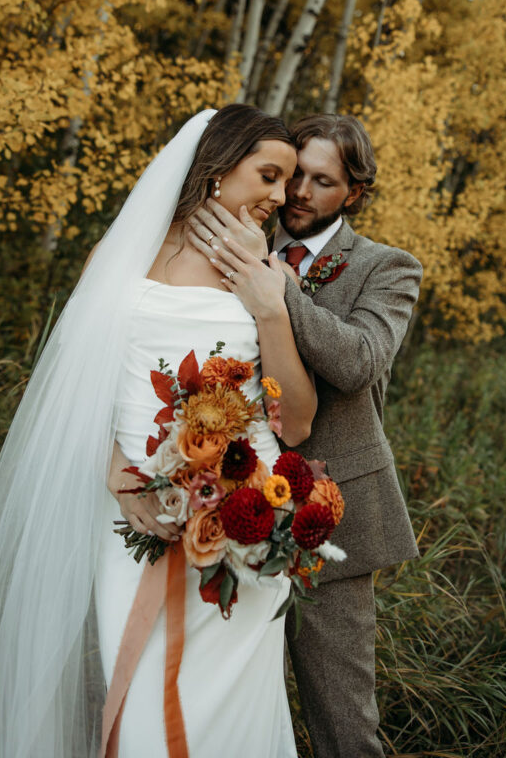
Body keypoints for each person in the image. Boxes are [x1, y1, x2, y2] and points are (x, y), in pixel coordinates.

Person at [0, 105, 317, 758]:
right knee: (136, 705)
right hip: (132, 518)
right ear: (216, 169)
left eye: (289, 182)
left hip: (247, 520)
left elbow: (297, 419)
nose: (281, 197)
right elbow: (84, 387)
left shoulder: (270, 276)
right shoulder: (119, 257)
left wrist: (271, 308)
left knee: (229, 713)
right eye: (269, 175)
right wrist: (120, 474)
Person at [187, 112, 423, 758]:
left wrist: (280, 292)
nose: (298, 194)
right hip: (225, 506)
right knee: (228, 698)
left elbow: (358, 363)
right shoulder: (237, 237)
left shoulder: (388, 267)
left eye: (322, 182)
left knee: (342, 718)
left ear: (353, 193)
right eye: (295, 176)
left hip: (332, 511)